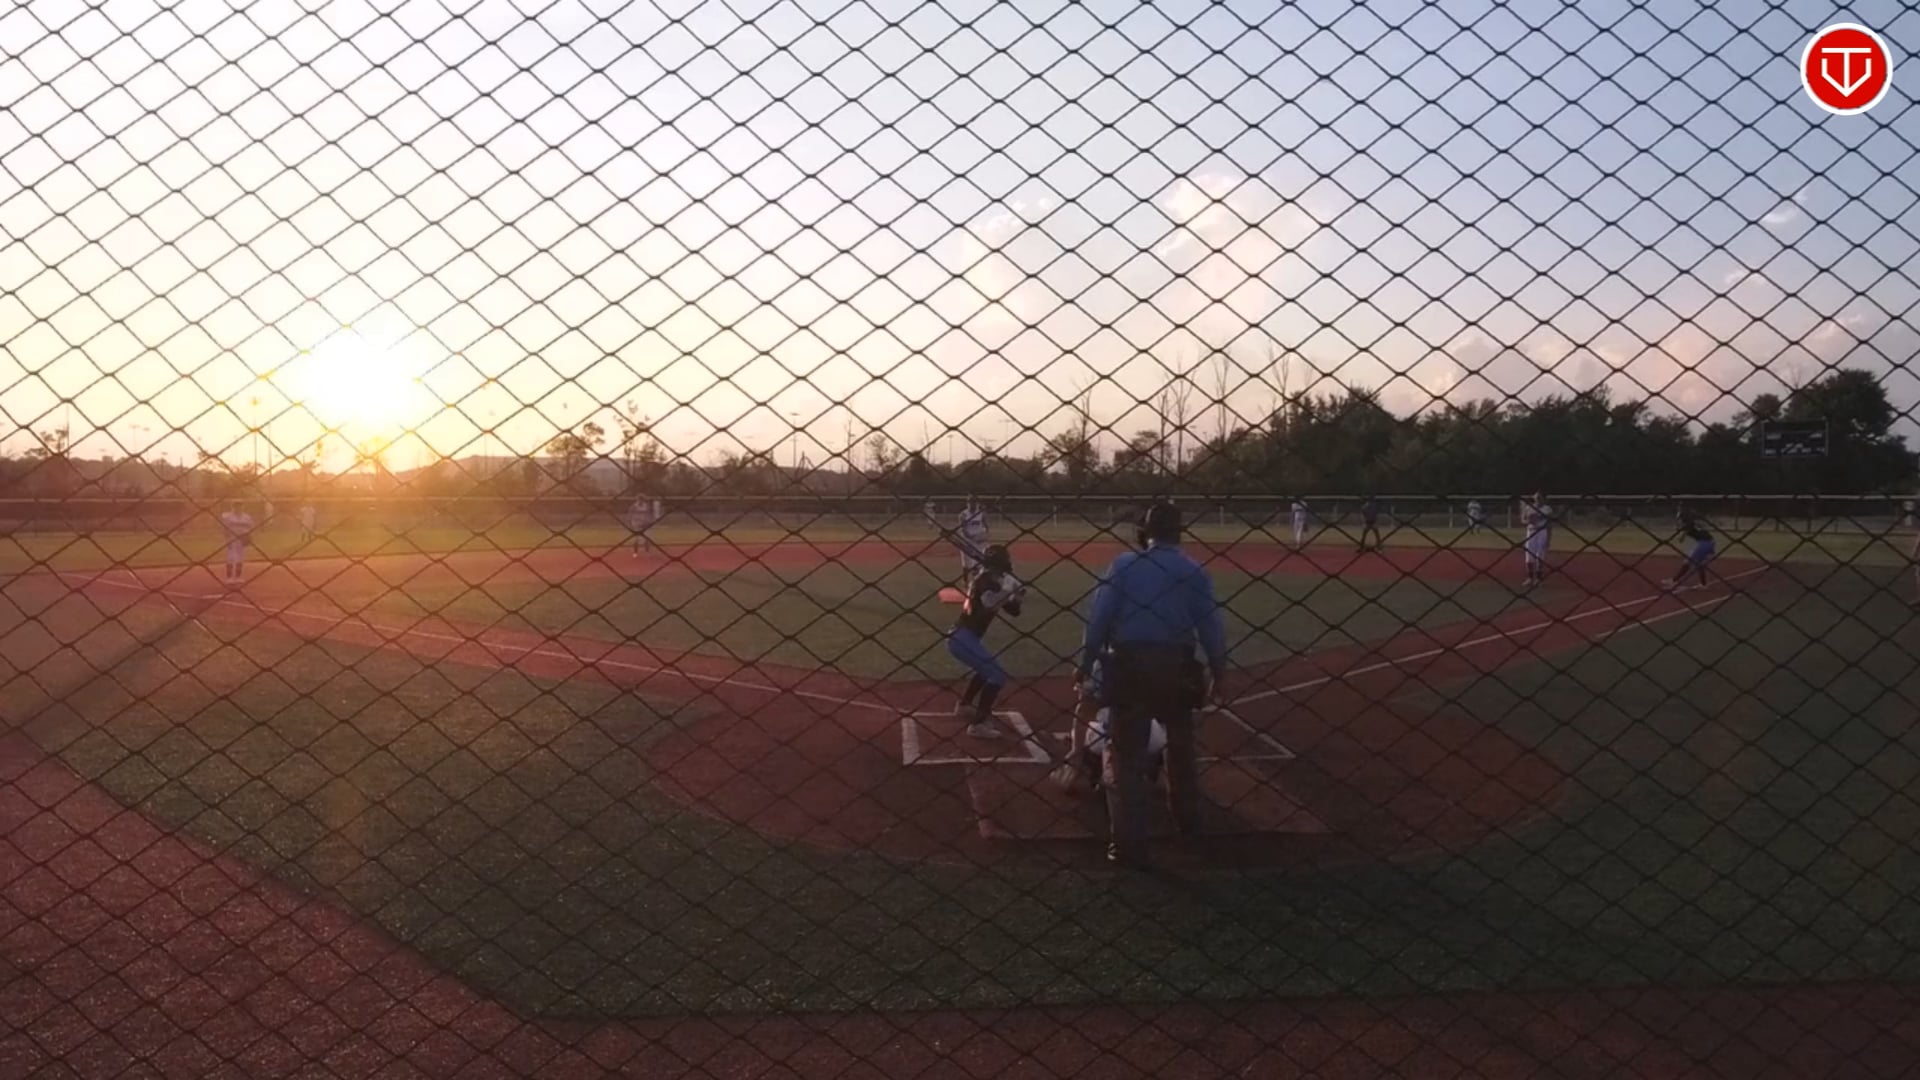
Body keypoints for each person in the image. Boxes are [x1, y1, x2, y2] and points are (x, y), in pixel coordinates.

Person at [1079, 500, 1227, 868]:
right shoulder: (1194, 571)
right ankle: (1190, 827)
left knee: (1126, 757)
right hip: (1178, 666)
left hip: (1130, 666)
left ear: (1145, 532)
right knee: (1181, 749)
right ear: (1179, 532)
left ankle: (1128, 844)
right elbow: (1211, 627)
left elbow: (1099, 620)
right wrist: (1220, 671)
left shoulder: (1124, 565)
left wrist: (1085, 663)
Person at [1050, 657, 1167, 795]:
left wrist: (1076, 752)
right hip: (1155, 738)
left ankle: (1103, 773)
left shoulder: (1099, 663)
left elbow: (1083, 710)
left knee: (1077, 735)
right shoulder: (1155, 658)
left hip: (1114, 738)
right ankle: (1151, 768)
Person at [947, 544, 1025, 740]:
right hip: (961, 638)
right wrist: (1008, 589)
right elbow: (989, 602)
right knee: (997, 676)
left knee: (986, 670)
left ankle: (964, 705)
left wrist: (1017, 595)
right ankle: (978, 725)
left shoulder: (992, 581)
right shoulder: (984, 580)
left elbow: (1014, 611)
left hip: (966, 638)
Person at [1663, 505, 1716, 591]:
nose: (1680, 520)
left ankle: (1674, 581)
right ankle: (1703, 584)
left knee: (1688, 562)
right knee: (1699, 564)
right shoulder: (1691, 523)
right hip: (1708, 543)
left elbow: (1687, 528)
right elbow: (1688, 528)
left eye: (1680, 518)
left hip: (1704, 543)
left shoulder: (1689, 524)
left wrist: (1682, 537)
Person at [219, 501, 255, 585]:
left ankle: (238, 577)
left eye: (240, 506)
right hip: (232, 539)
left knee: (240, 558)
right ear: (233, 507)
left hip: (242, 539)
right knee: (230, 558)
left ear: (243, 507)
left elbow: (250, 528)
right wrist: (227, 539)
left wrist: (249, 538)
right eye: (236, 506)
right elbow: (224, 529)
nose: (238, 508)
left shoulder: (247, 517)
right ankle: (229, 577)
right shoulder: (227, 516)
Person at [958, 494, 989, 585]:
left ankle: (977, 582)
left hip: (979, 542)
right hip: (967, 541)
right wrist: (972, 538)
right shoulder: (963, 515)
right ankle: (965, 581)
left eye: (974, 502)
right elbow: (963, 529)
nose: (972, 504)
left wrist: (984, 535)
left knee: (978, 562)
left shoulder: (981, 514)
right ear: (967, 503)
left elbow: (986, 526)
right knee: (966, 564)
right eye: (970, 502)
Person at [1523, 492, 1552, 588]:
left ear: (1543, 498)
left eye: (1540, 497)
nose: (1538, 499)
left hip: (1542, 531)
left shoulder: (1547, 509)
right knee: (1529, 554)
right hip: (1531, 531)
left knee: (1540, 555)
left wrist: (1549, 538)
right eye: (1536, 497)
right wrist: (1529, 521)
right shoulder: (1528, 508)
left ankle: (1539, 578)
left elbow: (1549, 524)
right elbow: (1523, 520)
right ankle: (1529, 577)